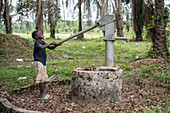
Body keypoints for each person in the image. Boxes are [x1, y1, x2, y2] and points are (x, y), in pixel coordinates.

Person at [32, 30, 61, 99]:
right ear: (36, 37)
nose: (41, 34)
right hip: (39, 62)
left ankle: (43, 93)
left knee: (44, 79)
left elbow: (50, 48)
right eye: (39, 34)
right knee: (41, 80)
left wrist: (56, 45)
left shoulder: (43, 42)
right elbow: (42, 47)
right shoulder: (37, 42)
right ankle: (42, 95)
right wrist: (50, 43)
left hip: (43, 62)